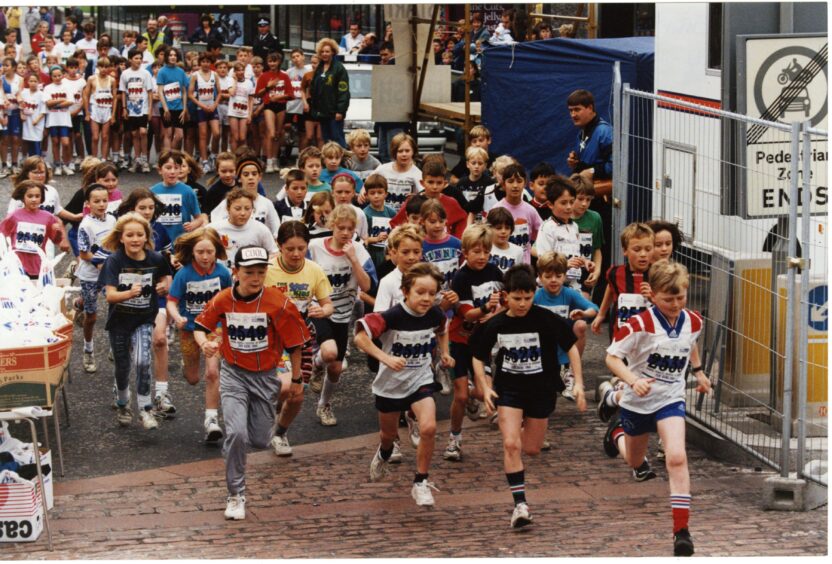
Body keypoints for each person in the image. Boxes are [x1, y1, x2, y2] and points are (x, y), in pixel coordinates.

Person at [600, 260, 710, 556]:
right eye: (668, 299)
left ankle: (681, 532)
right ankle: (616, 434)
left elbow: (691, 344)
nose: (675, 304)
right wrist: (632, 380)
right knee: (636, 462)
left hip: (670, 398)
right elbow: (611, 358)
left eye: (681, 297)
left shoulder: (694, 321)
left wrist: (698, 372)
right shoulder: (638, 324)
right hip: (637, 402)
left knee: (676, 457)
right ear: (653, 295)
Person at [194, 245, 310, 521]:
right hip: (233, 374)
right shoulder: (222, 300)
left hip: (266, 377)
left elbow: (296, 345)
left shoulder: (278, 303)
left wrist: (296, 379)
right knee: (236, 434)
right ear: (236, 272)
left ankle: (262, 435)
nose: (256, 278)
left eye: (261, 272)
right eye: (249, 273)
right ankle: (235, 494)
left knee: (259, 439)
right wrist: (205, 344)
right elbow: (200, 327)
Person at [473, 264, 587, 529]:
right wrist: (486, 386)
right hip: (509, 390)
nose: (523, 304)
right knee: (511, 445)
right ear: (506, 296)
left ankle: (524, 428)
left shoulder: (545, 318)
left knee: (531, 449)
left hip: (541, 389)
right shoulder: (497, 323)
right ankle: (520, 505)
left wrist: (578, 382)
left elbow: (570, 347)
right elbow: (478, 355)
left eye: (527, 298)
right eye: (517, 298)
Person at [355, 262, 454, 507]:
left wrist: (444, 352)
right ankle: (384, 452)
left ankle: (420, 482)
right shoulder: (392, 316)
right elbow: (359, 336)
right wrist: (385, 358)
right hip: (390, 385)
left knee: (429, 427)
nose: (427, 298)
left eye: (432, 293)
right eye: (420, 292)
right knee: (388, 435)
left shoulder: (435, 314)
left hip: (420, 380)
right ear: (405, 291)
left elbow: (442, 330)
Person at [264, 221, 333, 456]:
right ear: (279, 246)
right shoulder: (267, 270)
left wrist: (323, 311)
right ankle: (267, 409)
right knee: (284, 386)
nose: (295, 254)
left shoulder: (314, 270)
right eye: (289, 248)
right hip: (271, 336)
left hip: (301, 337)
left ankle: (280, 432)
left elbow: (327, 305)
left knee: (297, 393)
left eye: (301, 248)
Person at [99, 213, 173, 430]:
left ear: (146, 237)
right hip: (119, 320)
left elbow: (166, 276)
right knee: (122, 366)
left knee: (142, 362)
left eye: (139, 234)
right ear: (121, 238)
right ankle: (123, 403)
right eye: (129, 235)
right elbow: (110, 295)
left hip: (144, 318)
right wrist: (129, 294)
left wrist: (163, 286)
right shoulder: (114, 261)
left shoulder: (156, 258)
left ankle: (145, 409)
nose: (135, 239)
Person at [307, 204, 376, 425]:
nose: (345, 233)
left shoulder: (359, 250)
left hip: (343, 313)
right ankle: (316, 365)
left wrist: (353, 259)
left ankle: (323, 405)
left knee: (336, 368)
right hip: (318, 310)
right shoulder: (315, 247)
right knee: (329, 353)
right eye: (341, 228)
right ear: (332, 226)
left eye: (350, 229)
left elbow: (366, 287)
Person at [166, 227, 233, 443]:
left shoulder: (223, 273)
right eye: (200, 252)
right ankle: (188, 368)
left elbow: (231, 298)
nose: (205, 257)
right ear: (192, 252)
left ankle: (211, 421)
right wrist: (177, 318)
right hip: (189, 329)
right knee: (193, 378)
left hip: (214, 328)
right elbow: (171, 302)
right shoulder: (184, 274)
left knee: (212, 372)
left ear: (217, 252)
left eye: (209, 252)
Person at [445, 223, 504, 460]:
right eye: (476, 251)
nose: (482, 256)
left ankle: (472, 391)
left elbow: (505, 301)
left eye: (486, 251)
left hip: (482, 343)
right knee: (459, 397)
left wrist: (499, 310)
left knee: (484, 392)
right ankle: (454, 439)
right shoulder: (461, 277)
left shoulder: (495, 272)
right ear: (465, 252)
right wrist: (487, 308)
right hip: (460, 339)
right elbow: (468, 314)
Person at [534, 251, 598, 401]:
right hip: (541, 347)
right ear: (540, 277)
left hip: (563, 345)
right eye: (548, 277)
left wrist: (583, 312)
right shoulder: (537, 295)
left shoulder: (568, 293)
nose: (554, 280)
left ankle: (570, 373)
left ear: (565, 275)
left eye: (558, 276)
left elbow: (594, 308)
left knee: (581, 325)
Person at [76, 183, 117, 373]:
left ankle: (114, 346)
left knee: (115, 311)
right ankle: (88, 350)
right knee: (91, 316)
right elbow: (84, 254)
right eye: (96, 201)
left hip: (110, 274)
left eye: (104, 200)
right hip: (90, 276)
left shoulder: (113, 220)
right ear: (88, 203)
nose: (101, 204)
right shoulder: (85, 225)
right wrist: (103, 263)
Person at [590, 222, 654, 339]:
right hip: (620, 332)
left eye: (648, 249)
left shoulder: (658, 275)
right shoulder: (615, 273)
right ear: (625, 250)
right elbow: (611, 288)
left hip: (649, 336)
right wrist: (601, 314)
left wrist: (653, 298)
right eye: (637, 249)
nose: (643, 254)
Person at [534, 175, 595, 291]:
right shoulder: (547, 228)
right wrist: (565, 265)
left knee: (591, 309)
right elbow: (543, 263)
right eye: (563, 203)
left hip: (573, 286)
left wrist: (585, 262)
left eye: (571, 202)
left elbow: (573, 255)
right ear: (550, 205)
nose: (568, 207)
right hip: (551, 287)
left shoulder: (574, 226)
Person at [0, 180, 63, 279]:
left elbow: (56, 240)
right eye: (30, 196)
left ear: (41, 198)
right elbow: (1, 234)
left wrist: (58, 232)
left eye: (37, 196)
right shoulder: (14, 216)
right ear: (22, 197)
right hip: (17, 265)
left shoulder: (48, 217)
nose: (34, 199)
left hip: (38, 265)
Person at [150, 149, 206, 243]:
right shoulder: (152, 191)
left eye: (176, 168)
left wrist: (193, 225)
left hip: (181, 241)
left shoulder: (188, 191)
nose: (172, 172)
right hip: (158, 242)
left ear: (180, 169)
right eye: (168, 168)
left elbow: (199, 218)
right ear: (160, 170)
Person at [492, 163, 542, 263]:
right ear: (503, 184)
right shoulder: (496, 209)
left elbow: (543, 232)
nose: (515, 185)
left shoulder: (530, 210)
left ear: (525, 184)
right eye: (510, 181)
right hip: (501, 267)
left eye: (519, 181)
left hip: (524, 270)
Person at [254, 51, 292, 173]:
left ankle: (275, 159)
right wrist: (268, 87)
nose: (272, 63)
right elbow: (257, 93)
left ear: (279, 62)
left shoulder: (284, 76)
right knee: (270, 133)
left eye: (274, 61)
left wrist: (279, 97)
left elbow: (291, 95)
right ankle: (269, 160)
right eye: (270, 61)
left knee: (278, 134)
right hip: (269, 105)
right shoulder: (264, 76)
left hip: (281, 105)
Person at [309, 37, 349, 148]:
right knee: (327, 140)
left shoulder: (339, 69)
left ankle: (343, 162)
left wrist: (340, 110)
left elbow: (344, 92)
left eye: (327, 51)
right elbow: (314, 88)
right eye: (322, 52)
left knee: (337, 139)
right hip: (322, 112)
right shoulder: (319, 68)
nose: (325, 54)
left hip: (334, 112)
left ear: (333, 52)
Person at [571, 172, 605, 300]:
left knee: (583, 309)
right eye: (580, 199)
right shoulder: (561, 217)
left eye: (588, 200)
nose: (584, 204)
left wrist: (597, 272)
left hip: (585, 271)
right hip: (565, 270)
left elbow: (596, 248)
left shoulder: (595, 218)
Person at [119, 49, 154, 172]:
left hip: (143, 108)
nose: (138, 61)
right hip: (131, 108)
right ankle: (137, 159)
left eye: (140, 58)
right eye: (136, 58)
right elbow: (123, 92)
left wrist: (149, 109)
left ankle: (145, 160)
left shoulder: (146, 74)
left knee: (143, 132)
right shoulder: (125, 74)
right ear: (130, 59)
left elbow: (150, 93)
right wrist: (124, 108)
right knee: (134, 134)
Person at [371, 132, 421, 213]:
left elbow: (424, 195)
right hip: (384, 214)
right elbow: (369, 181)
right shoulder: (383, 169)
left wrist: (417, 198)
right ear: (394, 153)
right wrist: (363, 191)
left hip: (405, 215)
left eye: (407, 151)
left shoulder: (417, 174)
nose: (404, 154)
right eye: (400, 151)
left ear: (413, 151)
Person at [188, 53, 220, 173]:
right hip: (201, 108)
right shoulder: (195, 76)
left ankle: (213, 155)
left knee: (217, 133)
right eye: (203, 61)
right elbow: (190, 94)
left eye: (208, 62)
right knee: (203, 135)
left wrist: (214, 105)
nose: (206, 64)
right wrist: (201, 105)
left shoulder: (214, 74)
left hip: (212, 107)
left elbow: (220, 92)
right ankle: (204, 161)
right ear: (200, 63)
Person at [43, 64, 75, 175]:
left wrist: (55, 104)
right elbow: (48, 103)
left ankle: (66, 164)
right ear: (51, 77)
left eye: (59, 75)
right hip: (53, 119)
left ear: (62, 75)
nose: (57, 78)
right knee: (55, 142)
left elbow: (70, 101)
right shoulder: (48, 88)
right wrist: (61, 99)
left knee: (66, 143)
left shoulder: (67, 87)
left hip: (64, 119)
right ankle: (57, 164)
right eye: (54, 76)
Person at [156, 48, 189, 152]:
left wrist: (184, 108)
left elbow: (184, 91)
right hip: (166, 108)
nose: (173, 57)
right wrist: (165, 108)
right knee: (168, 133)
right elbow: (160, 91)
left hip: (179, 107)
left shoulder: (181, 71)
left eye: (174, 55)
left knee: (179, 135)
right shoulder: (162, 72)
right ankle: (167, 158)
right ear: (166, 57)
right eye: (170, 55)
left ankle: (172, 155)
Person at [83, 56, 115, 159]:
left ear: (109, 68)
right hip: (95, 110)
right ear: (97, 67)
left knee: (105, 137)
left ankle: (104, 159)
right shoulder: (92, 79)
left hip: (106, 110)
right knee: (95, 137)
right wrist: (87, 112)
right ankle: (94, 159)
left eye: (106, 67)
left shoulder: (112, 80)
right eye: (101, 67)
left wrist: (113, 115)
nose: (104, 69)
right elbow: (85, 95)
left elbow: (115, 98)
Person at [362, 172, 396, 270]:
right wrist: (376, 239)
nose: (376, 196)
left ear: (386, 194)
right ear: (367, 195)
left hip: (387, 255)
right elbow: (363, 238)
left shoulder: (391, 213)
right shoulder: (365, 214)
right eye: (372, 193)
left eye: (380, 192)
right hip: (371, 254)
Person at [486, 207, 524, 274]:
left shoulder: (518, 251)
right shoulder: (483, 247)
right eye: (498, 228)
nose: (503, 231)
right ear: (489, 228)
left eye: (507, 228)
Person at [18, 72, 46, 158]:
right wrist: (21, 114)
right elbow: (21, 106)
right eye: (31, 81)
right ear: (28, 82)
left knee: (36, 142)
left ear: (38, 82)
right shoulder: (24, 93)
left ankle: (37, 162)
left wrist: (37, 120)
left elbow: (43, 111)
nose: (33, 83)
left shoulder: (41, 94)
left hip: (37, 121)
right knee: (27, 141)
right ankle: (29, 162)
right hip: (27, 122)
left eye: (35, 81)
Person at [227, 61, 253, 152]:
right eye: (238, 70)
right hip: (233, 112)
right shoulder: (230, 80)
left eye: (242, 70)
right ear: (235, 71)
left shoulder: (249, 82)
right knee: (235, 137)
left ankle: (243, 156)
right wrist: (235, 81)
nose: (241, 72)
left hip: (244, 112)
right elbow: (232, 93)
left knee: (242, 137)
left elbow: (250, 99)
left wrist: (250, 114)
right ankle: (234, 157)